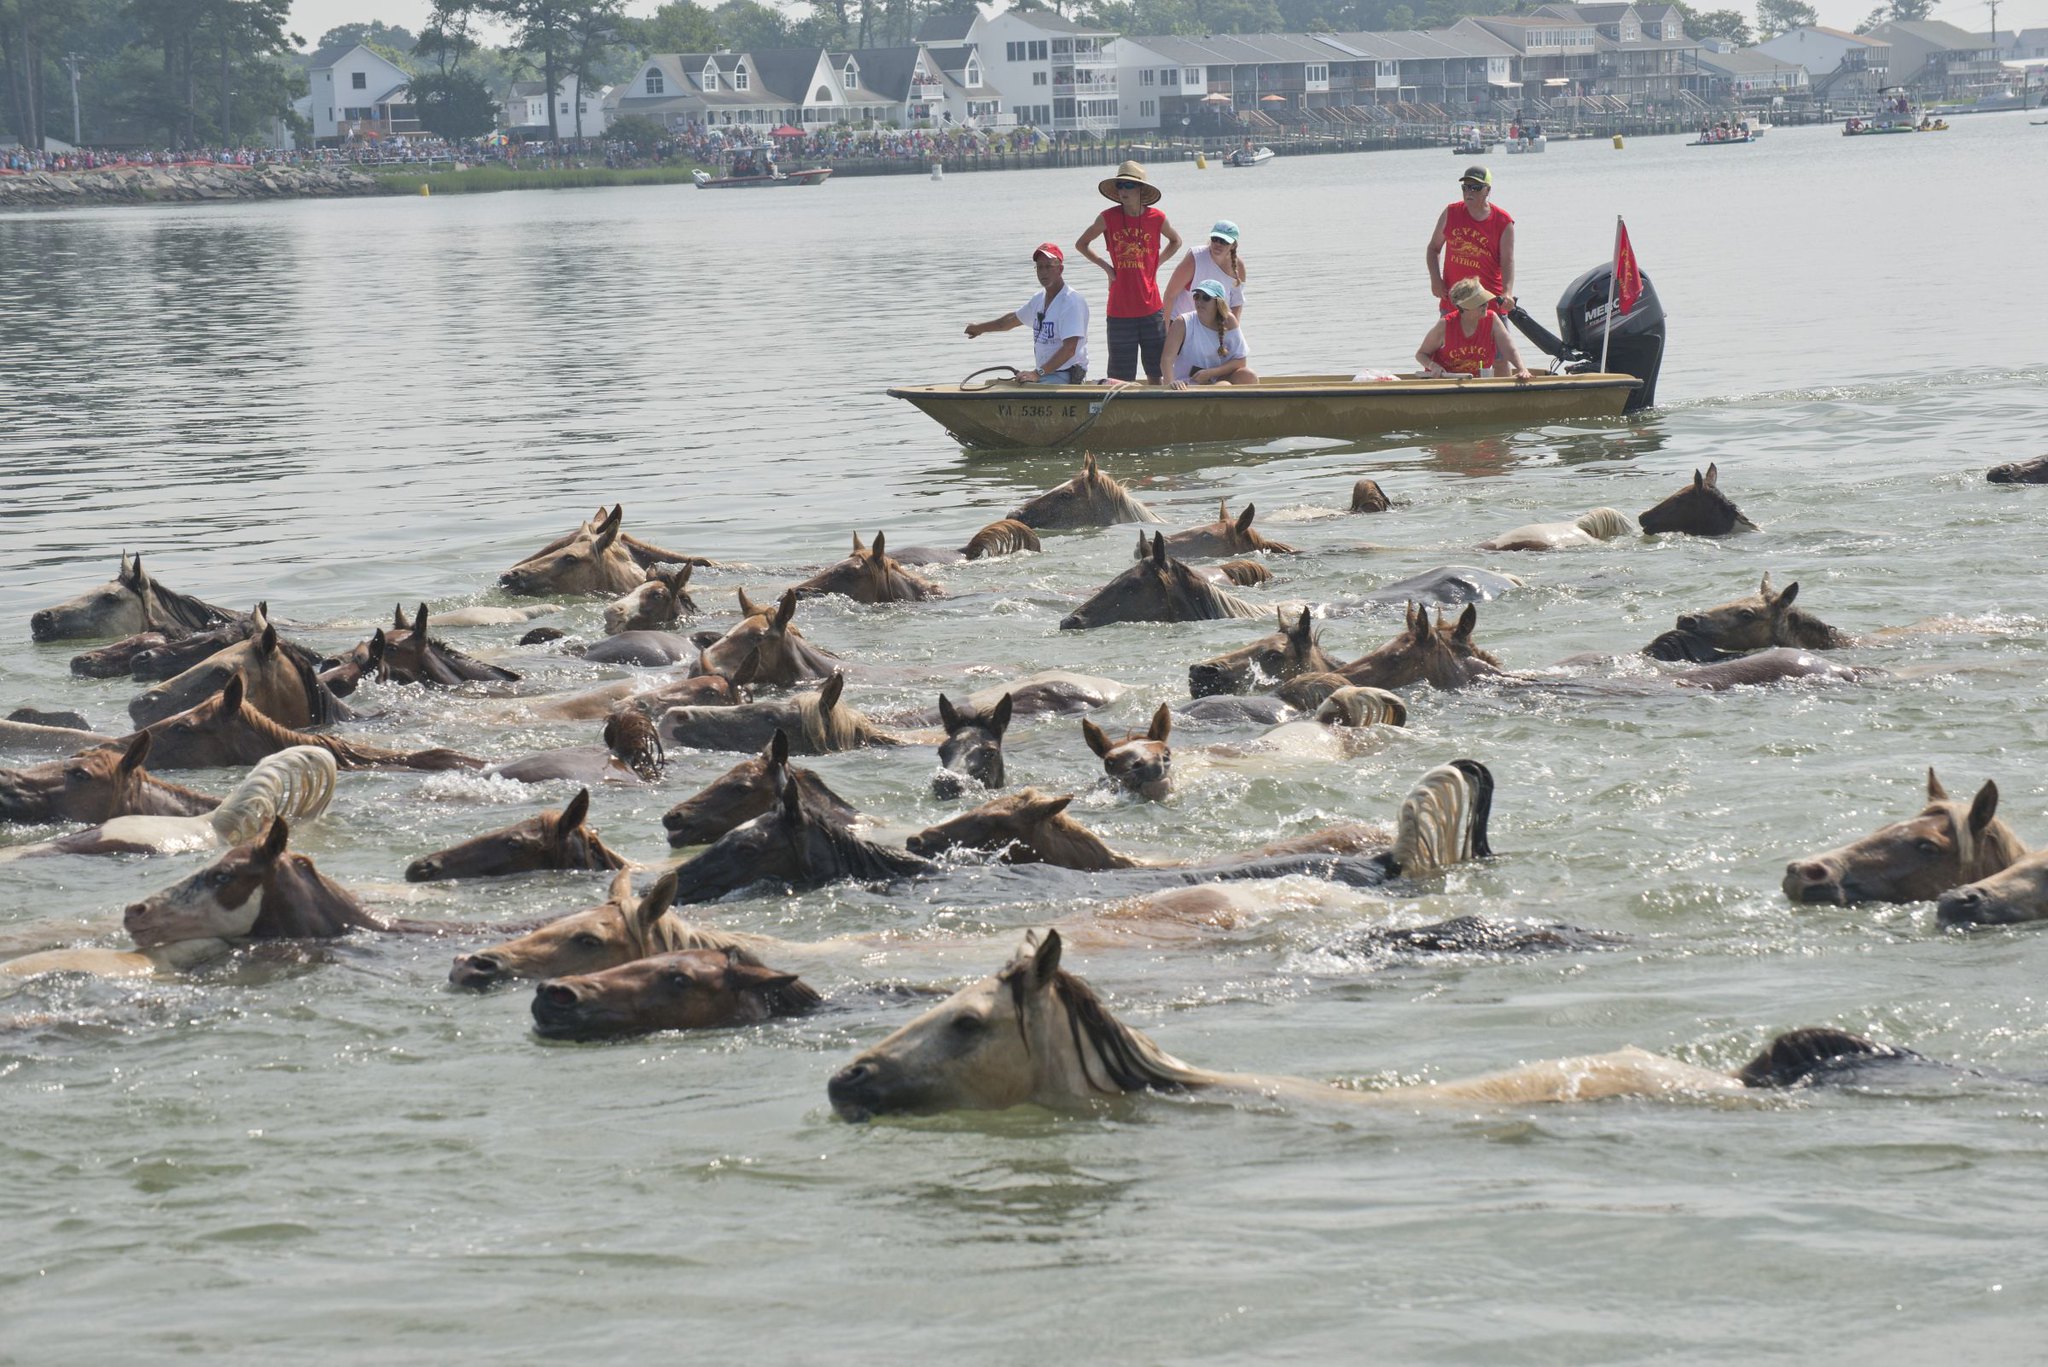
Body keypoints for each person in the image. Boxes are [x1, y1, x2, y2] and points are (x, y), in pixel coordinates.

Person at [1076, 160, 1182, 385]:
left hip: (1151, 308)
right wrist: (1107, 268)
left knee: (1157, 373)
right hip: (1119, 311)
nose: (1123, 190)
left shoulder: (1157, 218)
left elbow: (1176, 241)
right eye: (1120, 185)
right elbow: (1081, 244)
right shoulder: (1107, 217)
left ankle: (1157, 406)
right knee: (1120, 378)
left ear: (1141, 189)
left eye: (1129, 185)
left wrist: (1157, 263)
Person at [963, 242, 1090, 384]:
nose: (1043, 272)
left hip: (1068, 376)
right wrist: (979, 328)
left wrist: (1037, 373)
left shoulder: (1071, 302)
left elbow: (1069, 349)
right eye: (1039, 267)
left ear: (1060, 269)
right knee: (995, 385)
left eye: (1048, 266)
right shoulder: (1039, 299)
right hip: (1046, 374)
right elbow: (1010, 321)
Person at [1426, 164, 1515, 317]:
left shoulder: (1503, 221)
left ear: (1487, 190)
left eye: (1476, 188)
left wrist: (1507, 292)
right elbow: (1433, 249)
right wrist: (1435, 279)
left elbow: (1507, 261)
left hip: (1490, 306)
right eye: (1465, 187)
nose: (1469, 192)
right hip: (1453, 304)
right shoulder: (1451, 212)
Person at [1416, 277, 1531, 381]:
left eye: (1485, 301)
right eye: (1480, 303)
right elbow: (1421, 354)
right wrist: (1432, 366)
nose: (1486, 305)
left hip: (1475, 382)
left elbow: (1509, 350)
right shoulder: (1445, 325)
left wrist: (1522, 369)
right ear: (1464, 307)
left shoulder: (1492, 319)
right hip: (1445, 381)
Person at [1162, 279, 1255, 390]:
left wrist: (1210, 373)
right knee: (1225, 385)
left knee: (1248, 376)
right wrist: (1171, 384)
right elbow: (1166, 360)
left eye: (1206, 298)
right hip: (1186, 385)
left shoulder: (1229, 320)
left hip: (1219, 379)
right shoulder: (1182, 322)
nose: (1199, 301)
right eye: (1197, 297)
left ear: (1218, 303)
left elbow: (1241, 361)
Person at [1163, 219, 1248, 322]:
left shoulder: (1239, 267)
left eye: (1224, 241)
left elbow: (1237, 303)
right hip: (1181, 323)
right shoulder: (1195, 257)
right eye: (1215, 239)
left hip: (1214, 326)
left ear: (1233, 245)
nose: (1218, 244)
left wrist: (1233, 329)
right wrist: (1166, 328)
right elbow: (1170, 294)